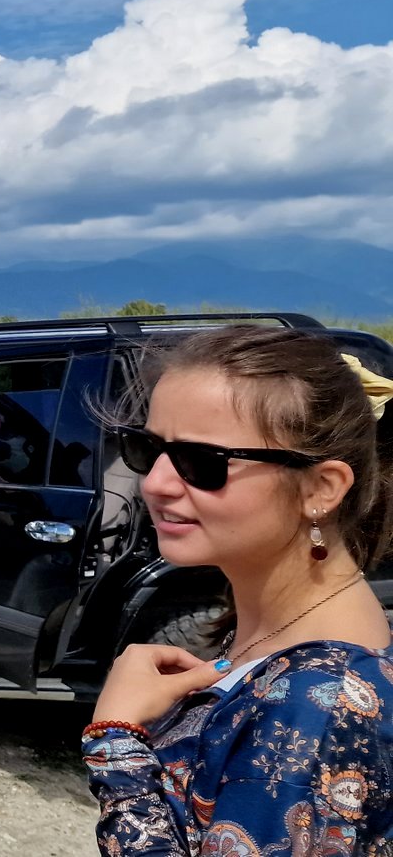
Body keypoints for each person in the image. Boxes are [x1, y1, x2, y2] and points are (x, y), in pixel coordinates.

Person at [82, 326, 393, 854]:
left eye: (202, 461)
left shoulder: (318, 705)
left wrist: (115, 741)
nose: (154, 482)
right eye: (145, 447)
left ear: (321, 488)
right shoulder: (277, 629)